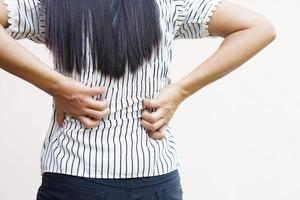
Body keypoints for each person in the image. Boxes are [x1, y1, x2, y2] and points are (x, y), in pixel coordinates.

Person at [0, 0, 276, 199]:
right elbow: (258, 27)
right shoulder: (168, 5)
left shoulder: (53, 7)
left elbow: (260, 29)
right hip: (153, 178)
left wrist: (57, 86)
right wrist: (181, 90)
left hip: (74, 176)